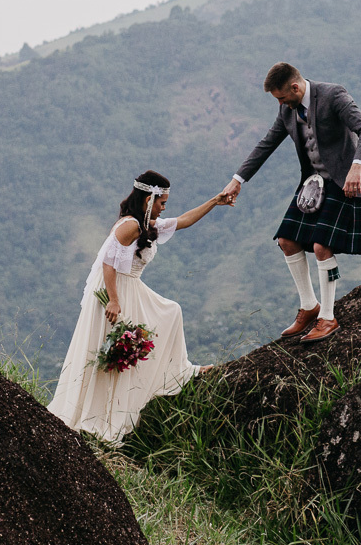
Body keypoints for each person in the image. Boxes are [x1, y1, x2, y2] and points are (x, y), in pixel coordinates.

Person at [48, 170, 231, 441]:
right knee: (115, 350)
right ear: (148, 200)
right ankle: (100, 413)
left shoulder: (147, 224)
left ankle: (181, 370)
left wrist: (214, 201)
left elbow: (183, 221)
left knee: (170, 313)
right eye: (162, 202)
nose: (164, 207)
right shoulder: (130, 225)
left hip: (131, 287)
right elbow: (108, 263)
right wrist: (113, 300)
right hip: (116, 290)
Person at [222, 62, 361, 343]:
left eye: (281, 97)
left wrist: (358, 165)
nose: (280, 104)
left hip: (343, 181)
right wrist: (237, 180)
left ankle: (327, 317)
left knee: (321, 246)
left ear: (295, 87)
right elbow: (266, 144)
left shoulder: (333, 95)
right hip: (314, 184)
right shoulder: (287, 109)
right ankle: (309, 306)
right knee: (286, 240)